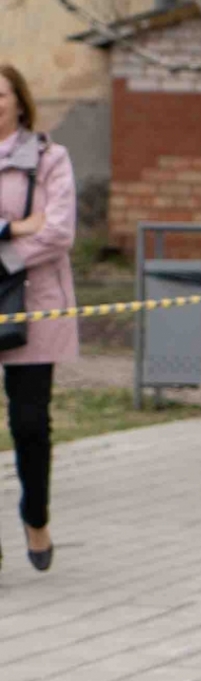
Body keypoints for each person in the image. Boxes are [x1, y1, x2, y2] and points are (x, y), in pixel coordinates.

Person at [0, 63, 78, 575]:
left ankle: (36, 515)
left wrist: (3, 252)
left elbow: (58, 232)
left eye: (1, 95)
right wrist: (11, 226)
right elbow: (33, 228)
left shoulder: (50, 158)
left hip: (34, 304)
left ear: (20, 101)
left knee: (29, 424)